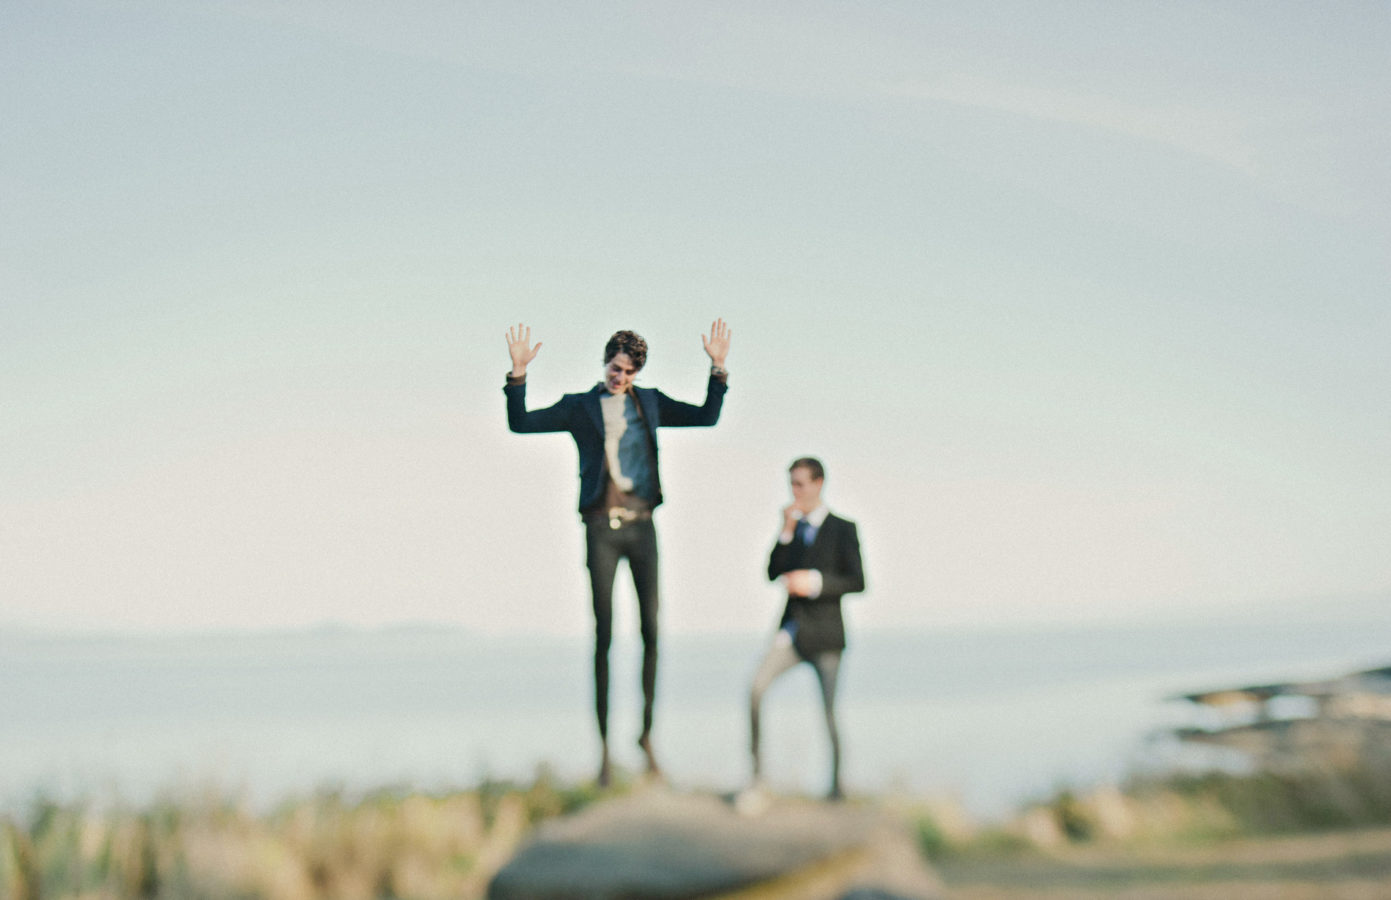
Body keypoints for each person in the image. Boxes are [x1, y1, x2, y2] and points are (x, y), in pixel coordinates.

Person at [503, 320, 731, 786]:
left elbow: (707, 416)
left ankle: (645, 738)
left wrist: (719, 369)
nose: (619, 377)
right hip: (601, 530)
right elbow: (521, 424)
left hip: (643, 527)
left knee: (651, 631)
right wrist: (518, 376)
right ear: (604, 361)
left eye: (628, 372)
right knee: (603, 635)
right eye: (614, 367)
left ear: (637, 373)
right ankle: (605, 752)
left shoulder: (649, 403)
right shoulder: (579, 407)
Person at [742, 457, 864, 808]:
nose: (794, 491)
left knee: (828, 713)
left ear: (818, 483)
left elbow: (857, 581)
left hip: (826, 638)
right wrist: (785, 531)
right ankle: (757, 778)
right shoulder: (792, 530)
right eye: (791, 484)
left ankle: (836, 789)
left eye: (800, 484)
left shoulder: (843, 528)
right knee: (755, 689)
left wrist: (813, 583)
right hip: (791, 634)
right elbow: (771, 571)